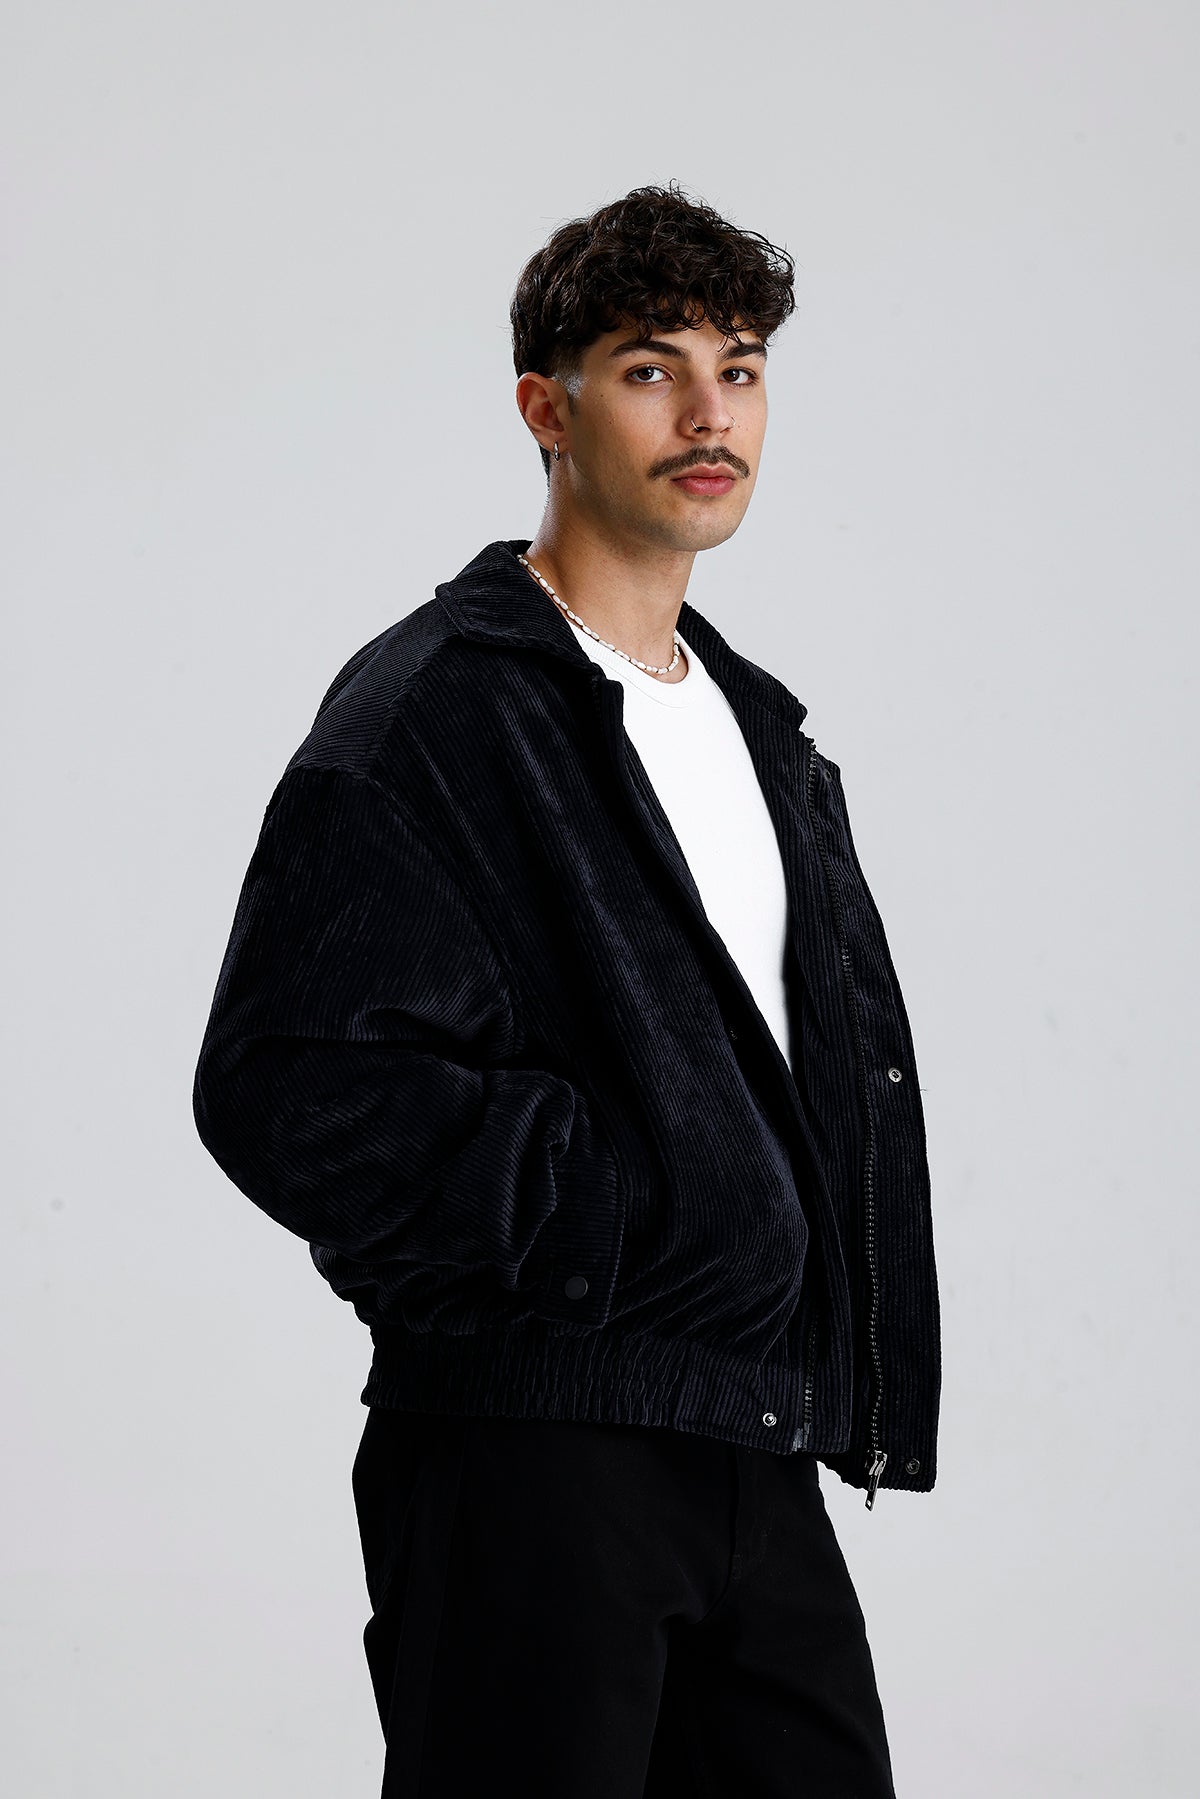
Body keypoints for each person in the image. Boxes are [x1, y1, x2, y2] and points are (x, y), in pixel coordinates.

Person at [192, 180, 941, 1798]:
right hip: (533, 1449)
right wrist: (604, 1210)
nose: (709, 413)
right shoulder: (438, 712)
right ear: (547, 408)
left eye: (740, 369)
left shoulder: (757, 731)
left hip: (753, 1443)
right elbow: (285, 1081)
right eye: (651, 369)